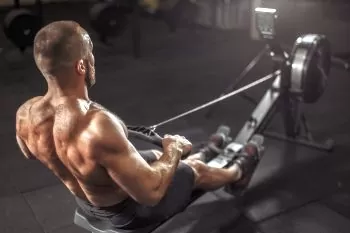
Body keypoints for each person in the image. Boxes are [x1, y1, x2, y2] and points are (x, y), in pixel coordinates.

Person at [15, 21, 264, 230]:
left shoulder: (26, 114)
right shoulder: (97, 126)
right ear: (81, 65)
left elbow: (29, 153)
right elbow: (151, 193)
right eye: (90, 53)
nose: (93, 59)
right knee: (194, 170)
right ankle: (238, 174)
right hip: (128, 213)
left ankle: (203, 153)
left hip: (86, 200)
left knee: (155, 156)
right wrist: (174, 148)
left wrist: (82, 163)